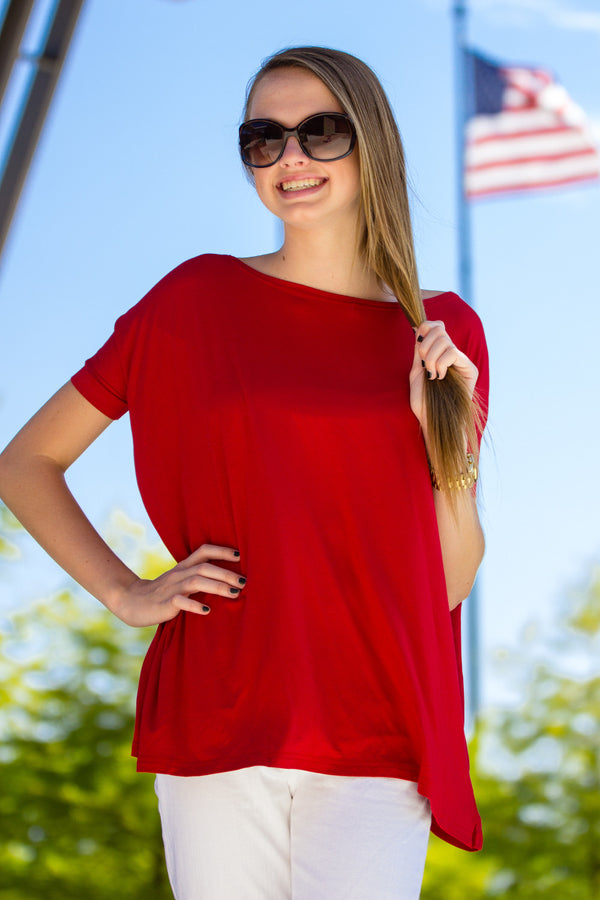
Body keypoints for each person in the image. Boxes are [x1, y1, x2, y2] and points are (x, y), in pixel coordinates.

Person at [0, 46, 489, 900]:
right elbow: (26, 463)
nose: (289, 158)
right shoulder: (194, 302)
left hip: (380, 726)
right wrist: (126, 593)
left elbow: (445, 582)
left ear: (370, 142)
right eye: (262, 140)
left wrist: (444, 435)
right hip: (220, 709)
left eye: (318, 132)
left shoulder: (442, 331)